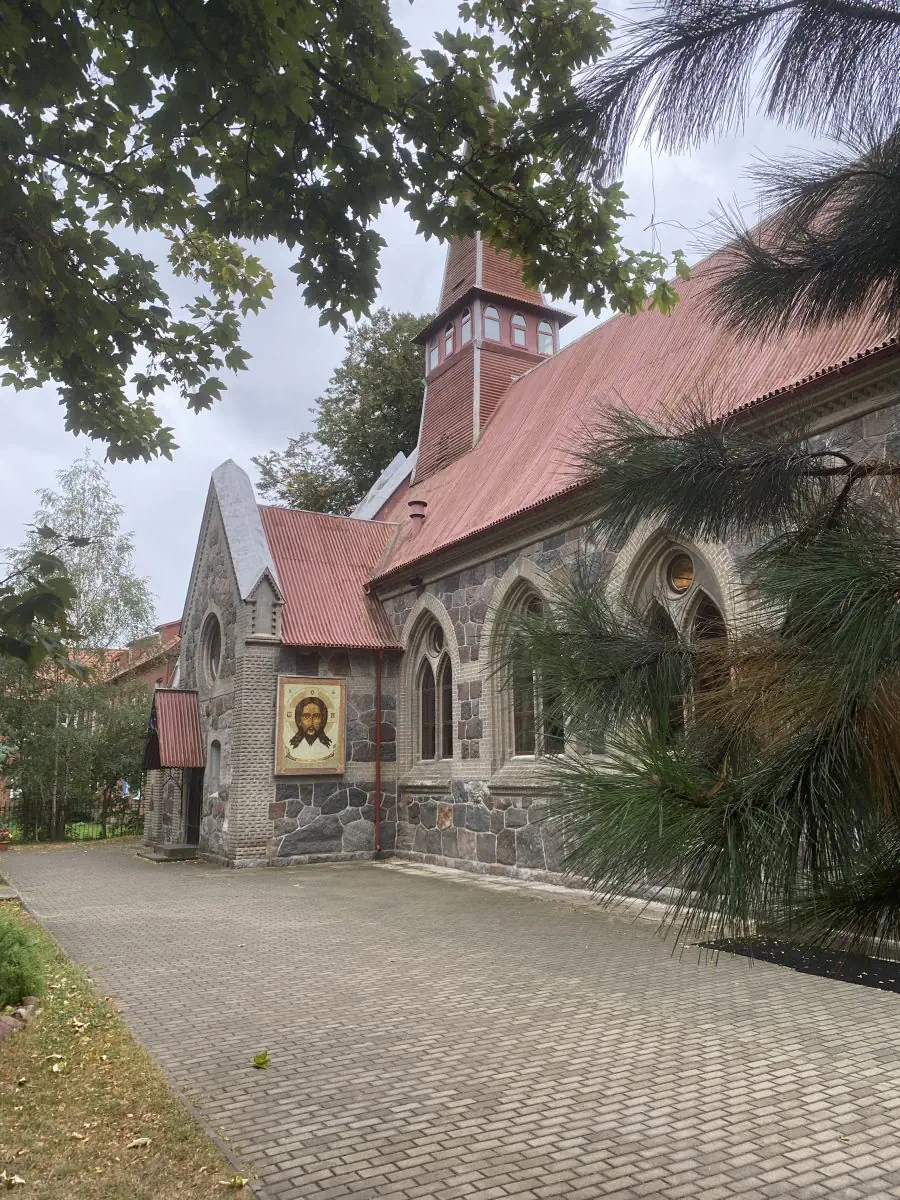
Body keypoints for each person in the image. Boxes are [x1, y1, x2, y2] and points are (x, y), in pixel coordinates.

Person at [287, 695, 335, 763]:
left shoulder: (330, 748)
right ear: (299, 721)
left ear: (322, 721)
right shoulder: (290, 748)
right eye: (306, 716)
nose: (311, 722)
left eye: (316, 717)